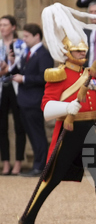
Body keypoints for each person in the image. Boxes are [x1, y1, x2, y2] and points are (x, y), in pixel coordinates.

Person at [18, 3, 96, 224]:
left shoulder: (90, 74)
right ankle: (28, 220)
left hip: (90, 130)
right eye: (78, 51)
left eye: (83, 51)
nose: (82, 54)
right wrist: (68, 106)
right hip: (70, 130)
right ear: (67, 52)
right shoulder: (57, 74)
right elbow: (46, 107)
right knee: (52, 178)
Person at [11, 23, 51, 176]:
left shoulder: (43, 54)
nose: (24, 39)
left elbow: (44, 77)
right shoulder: (28, 52)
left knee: (37, 133)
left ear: (37, 36)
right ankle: (38, 164)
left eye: (27, 36)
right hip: (25, 100)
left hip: (35, 100)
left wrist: (25, 78)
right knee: (32, 134)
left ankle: (41, 166)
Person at [0, 15, 27, 175]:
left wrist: (8, 67)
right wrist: (6, 69)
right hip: (2, 88)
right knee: (2, 127)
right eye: (0, 25)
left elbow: (23, 67)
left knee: (19, 126)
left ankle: (18, 162)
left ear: (13, 27)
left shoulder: (21, 45)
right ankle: (5, 163)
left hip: (17, 87)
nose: (2, 28)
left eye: (5, 25)